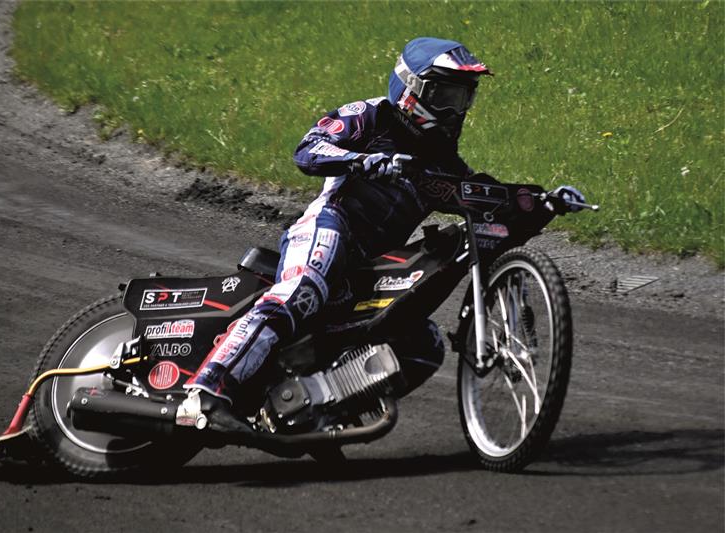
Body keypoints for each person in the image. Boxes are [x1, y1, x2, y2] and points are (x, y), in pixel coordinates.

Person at [184, 37, 585, 430]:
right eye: (444, 94)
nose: (455, 109)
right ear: (412, 89)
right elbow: (308, 149)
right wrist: (361, 161)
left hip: (373, 267)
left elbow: (487, 202)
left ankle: (317, 415)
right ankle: (206, 390)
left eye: (463, 97)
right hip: (329, 226)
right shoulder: (371, 115)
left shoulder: (445, 163)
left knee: (422, 346)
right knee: (302, 289)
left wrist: (543, 204)